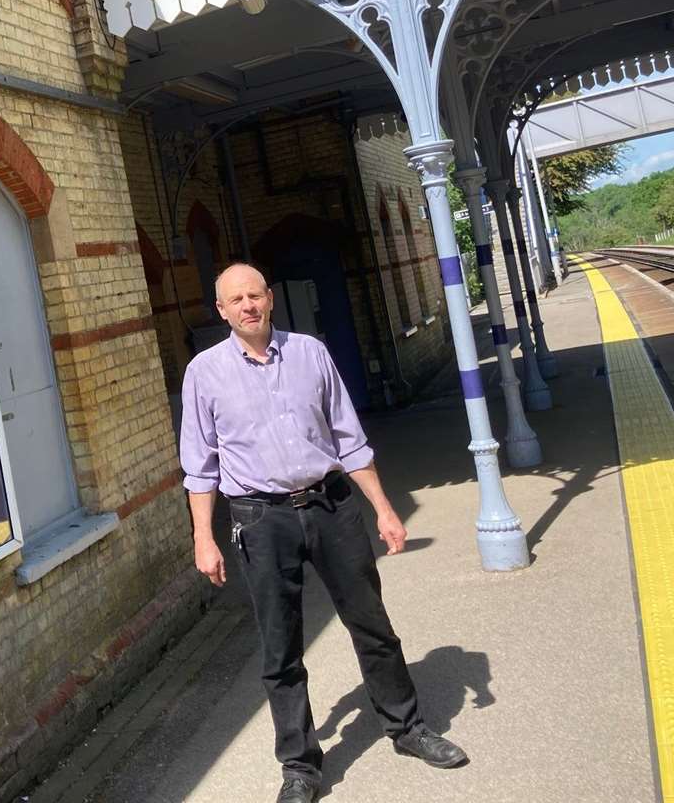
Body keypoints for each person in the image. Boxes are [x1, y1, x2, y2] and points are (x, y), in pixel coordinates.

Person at [180, 263, 467, 803]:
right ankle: (300, 767)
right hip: (261, 519)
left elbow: (348, 437)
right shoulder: (204, 372)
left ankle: (408, 729)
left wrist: (383, 508)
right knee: (280, 648)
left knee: (372, 625)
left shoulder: (311, 353)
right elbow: (201, 465)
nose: (248, 306)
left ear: (270, 298)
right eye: (235, 299)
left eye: (256, 295)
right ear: (221, 310)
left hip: (331, 506)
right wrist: (203, 536)